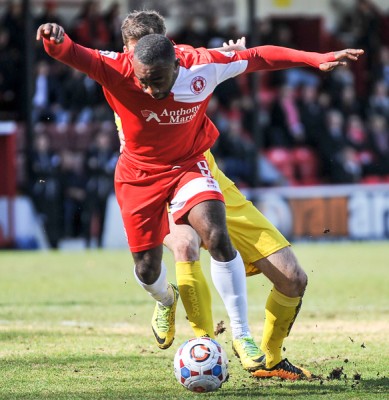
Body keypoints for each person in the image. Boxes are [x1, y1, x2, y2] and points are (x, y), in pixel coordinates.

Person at [36, 17, 363, 379]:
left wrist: (312, 58)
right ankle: (173, 307)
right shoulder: (119, 70)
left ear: (173, 55)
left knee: (248, 256)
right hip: (141, 177)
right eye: (133, 58)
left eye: (154, 76)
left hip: (193, 165)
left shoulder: (198, 64)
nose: (147, 87)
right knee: (152, 266)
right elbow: (73, 54)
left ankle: (243, 344)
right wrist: (55, 40)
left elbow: (255, 56)